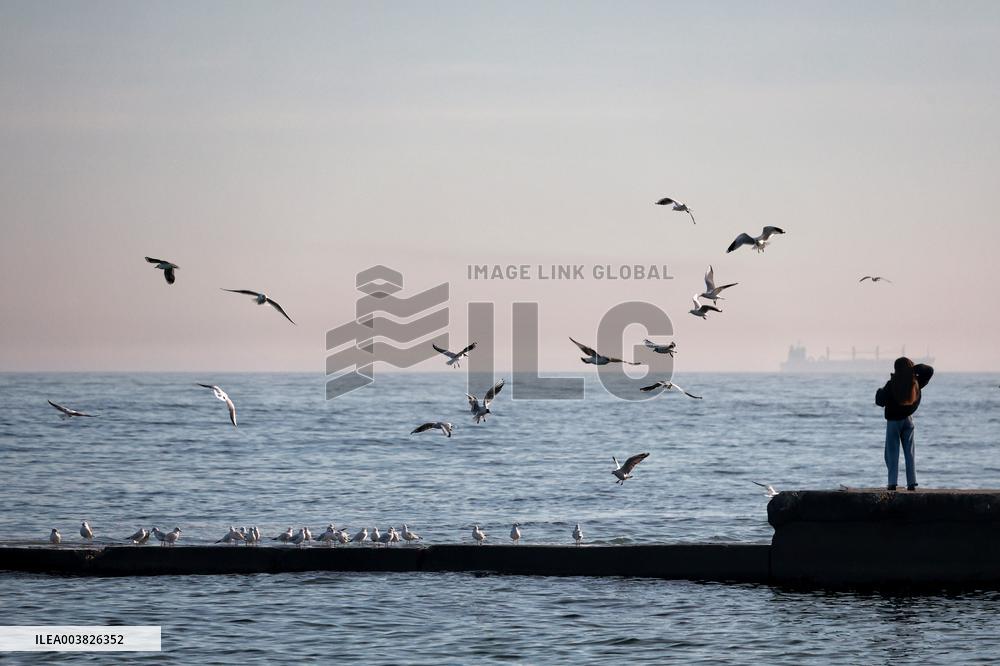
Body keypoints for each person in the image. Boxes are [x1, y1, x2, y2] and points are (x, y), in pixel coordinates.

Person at [875, 357, 934, 491]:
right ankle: (912, 483)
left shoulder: (892, 384)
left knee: (892, 452)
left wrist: (879, 391)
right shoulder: (915, 382)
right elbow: (929, 370)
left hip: (894, 422)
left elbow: (880, 401)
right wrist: (913, 369)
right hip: (908, 420)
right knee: (910, 453)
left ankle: (892, 483)